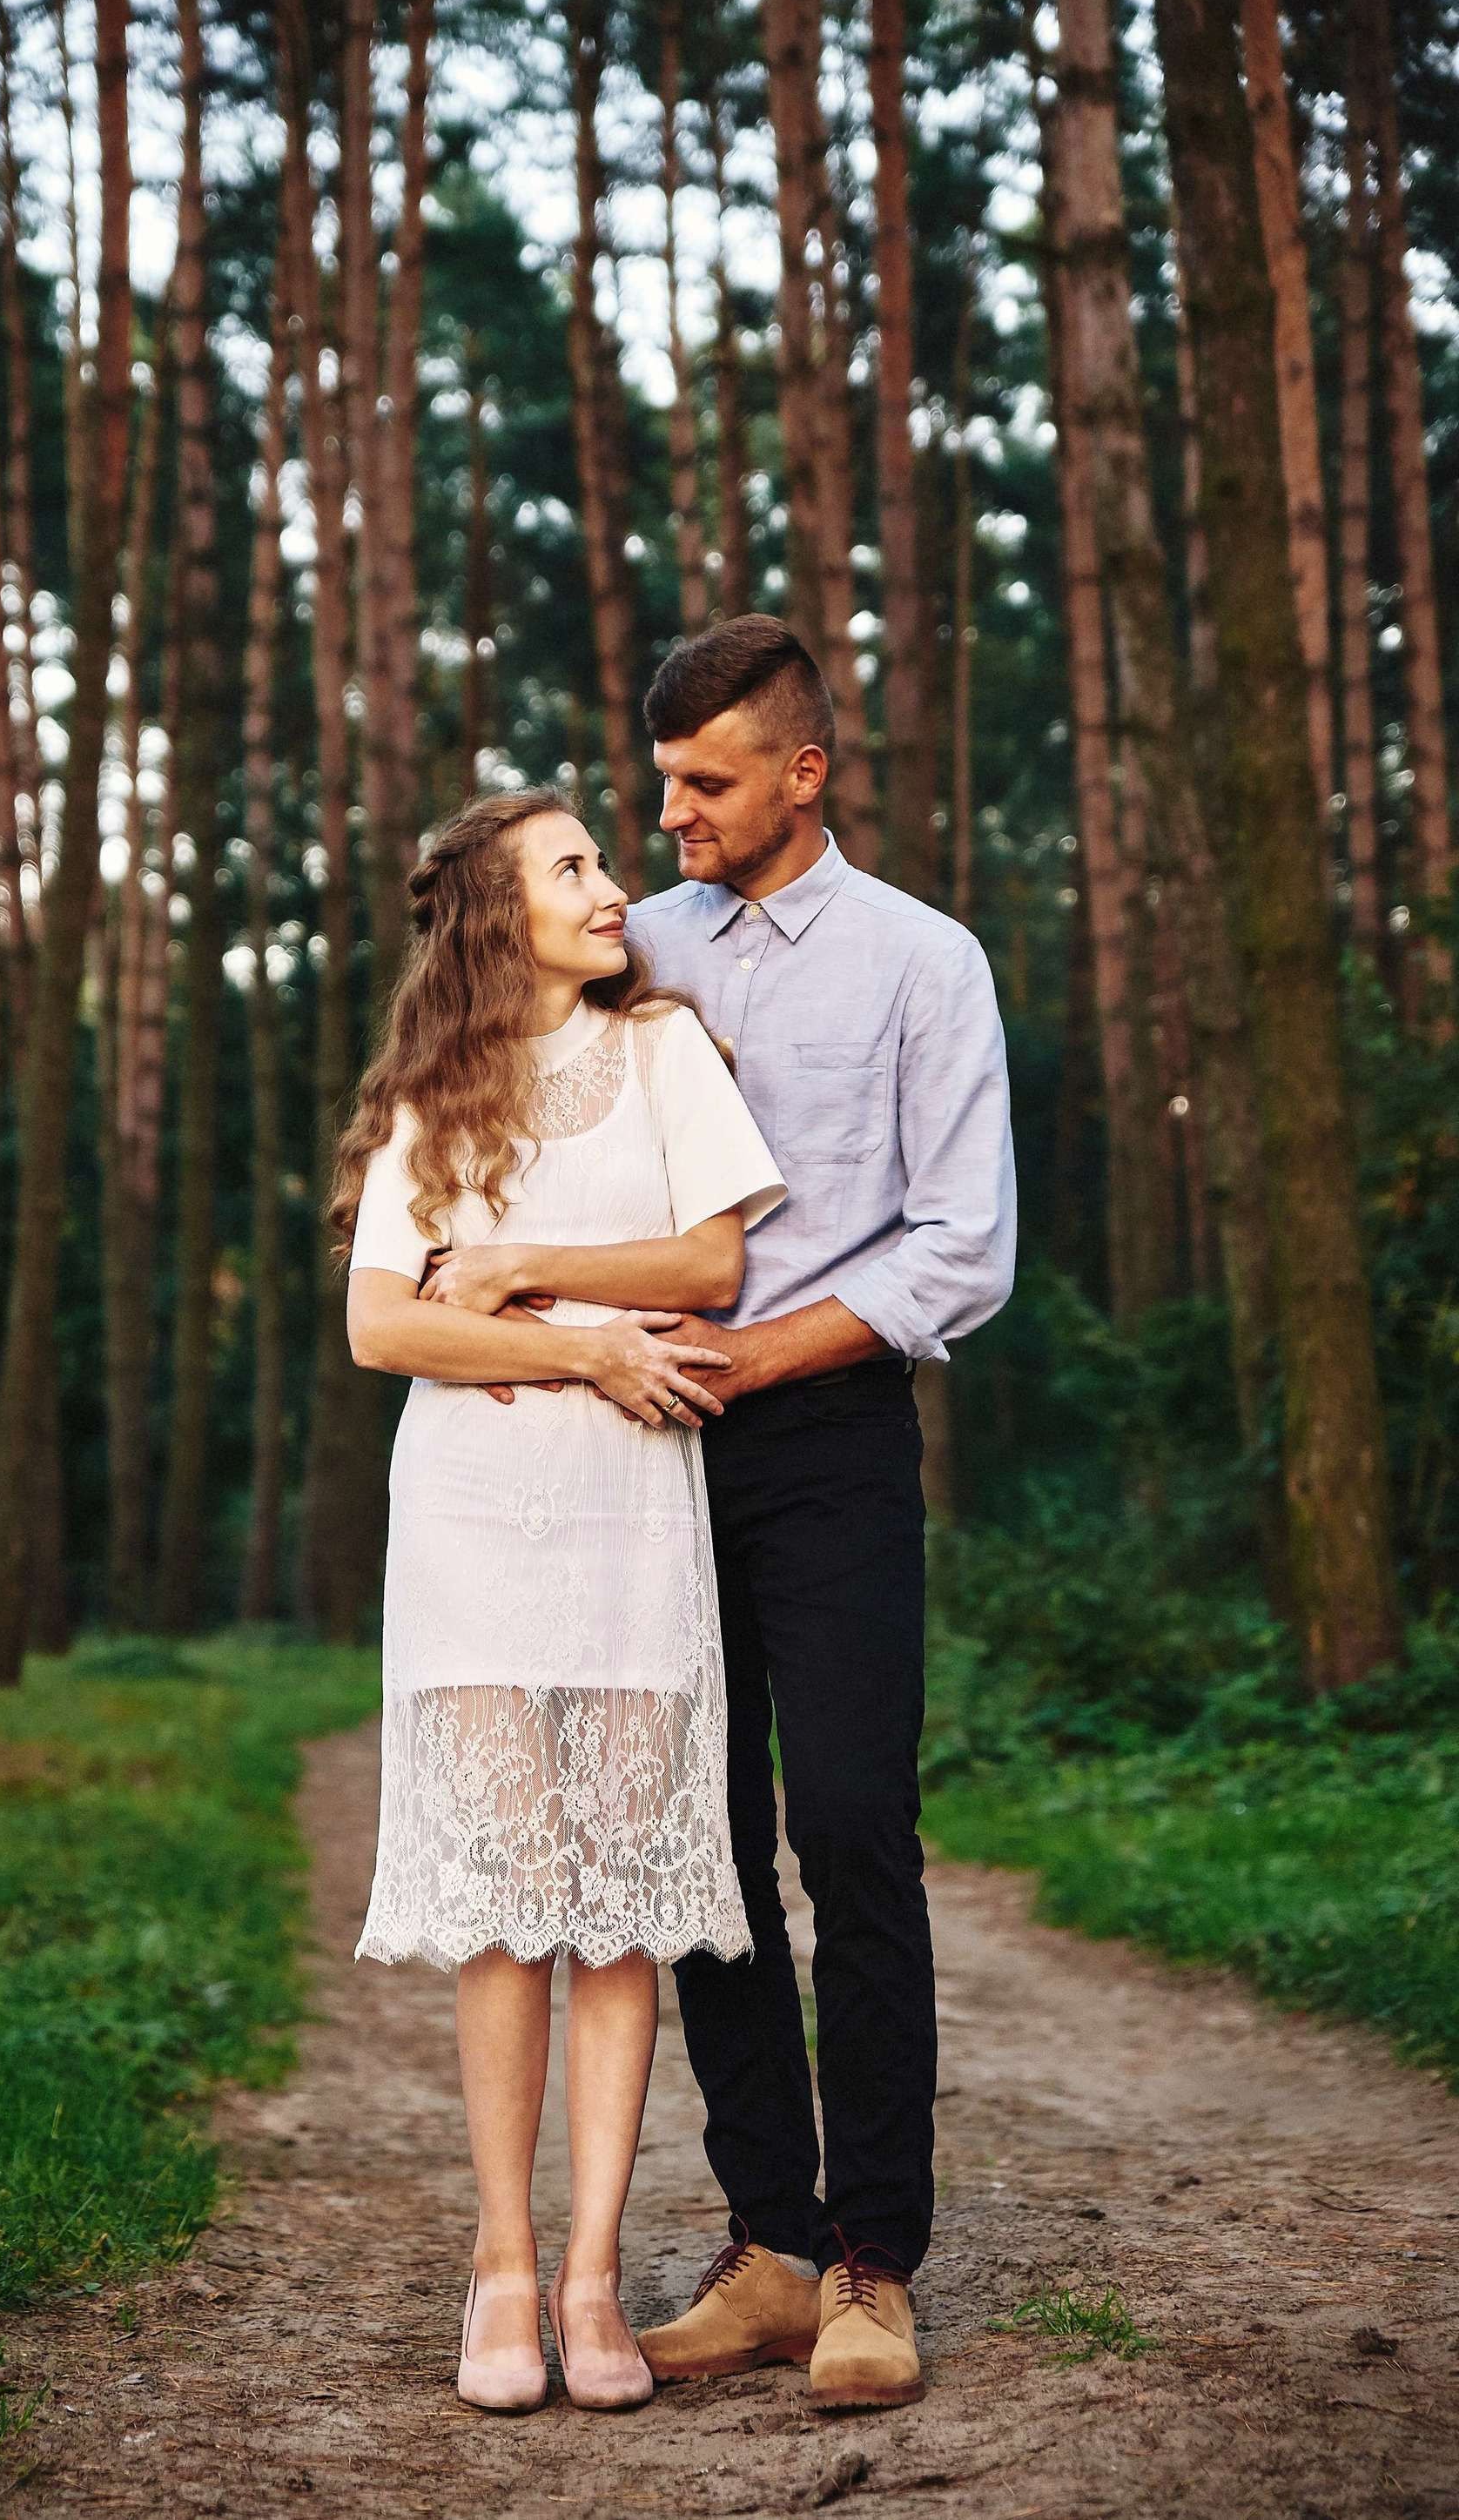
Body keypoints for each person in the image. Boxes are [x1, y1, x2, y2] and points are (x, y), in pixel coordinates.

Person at [334, 788, 786, 2416]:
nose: (616, 890)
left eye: (603, 859)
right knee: (512, 1910)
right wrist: (584, 1348)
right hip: (469, 1521)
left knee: (619, 1919)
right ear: (491, 915)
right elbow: (388, 1329)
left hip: (628, 1523)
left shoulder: (667, 1051)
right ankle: (502, 2270)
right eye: (576, 867)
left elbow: (714, 1267)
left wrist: (528, 1277)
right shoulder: (430, 1099)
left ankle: (596, 2279)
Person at [622, 615, 1017, 2414]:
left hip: (834, 1431)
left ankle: (874, 2265)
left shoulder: (924, 963)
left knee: (850, 1819)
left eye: (704, 780)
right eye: (660, 782)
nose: (673, 811)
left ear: (803, 770)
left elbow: (964, 1241)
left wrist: (765, 1356)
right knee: (698, 1847)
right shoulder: (627, 948)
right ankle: (769, 2247)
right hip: (636, 1444)